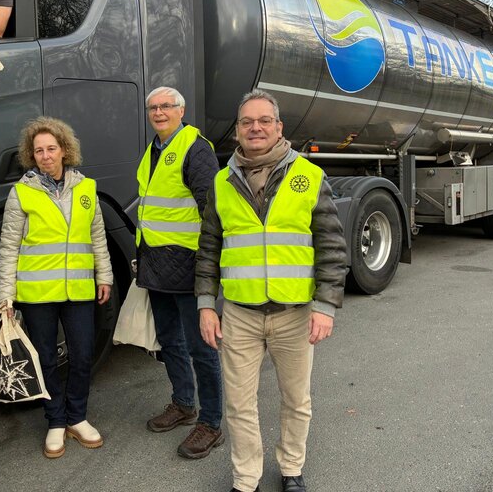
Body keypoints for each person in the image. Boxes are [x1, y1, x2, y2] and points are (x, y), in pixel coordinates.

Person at [195, 90, 347, 492]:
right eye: (247, 122)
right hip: (240, 314)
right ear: (237, 130)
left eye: (264, 120)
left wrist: (326, 305)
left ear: (279, 127)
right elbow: (208, 247)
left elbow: (331, 246)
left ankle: (291, 469)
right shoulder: (221, 182)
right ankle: (247, 479)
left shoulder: (308, 176)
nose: (256, 128)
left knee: (296, 400)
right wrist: (206, 305)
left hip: (294, 314)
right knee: (239, 404)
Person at [0, 116, 113, 459]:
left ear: (64, 150)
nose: (46, 155)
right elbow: (9, 247)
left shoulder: (86, 189)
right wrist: (6, 295)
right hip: (37, 294)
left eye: (51, 148)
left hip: (78, 290)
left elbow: (97, 237)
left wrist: (104, 277)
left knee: (83, 354)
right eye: (39, 151)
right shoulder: (21, 193)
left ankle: (77, 417)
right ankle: (56, 421)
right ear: (31, 156)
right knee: (46, 358)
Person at [136, 86, 224, 459]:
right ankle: (184, 403)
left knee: (201, 347)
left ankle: (211, 422)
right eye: (153, 107)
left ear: (181, 110)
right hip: (157, 265)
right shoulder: (154, 149)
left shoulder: (195, 149)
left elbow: (212, 210)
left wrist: (210, 265)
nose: (159, 112)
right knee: (170, 341)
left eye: (166, 106)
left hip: (188, 265)